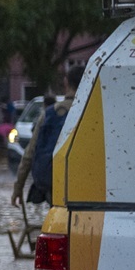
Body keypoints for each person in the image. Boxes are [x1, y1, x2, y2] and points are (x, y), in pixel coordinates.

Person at [13, 67, 80, 208]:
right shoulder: (92, 113)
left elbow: (29, 153)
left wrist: (18, 188)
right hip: (83, 184)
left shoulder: (49, 114)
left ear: (66, 82)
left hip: (53, 182)